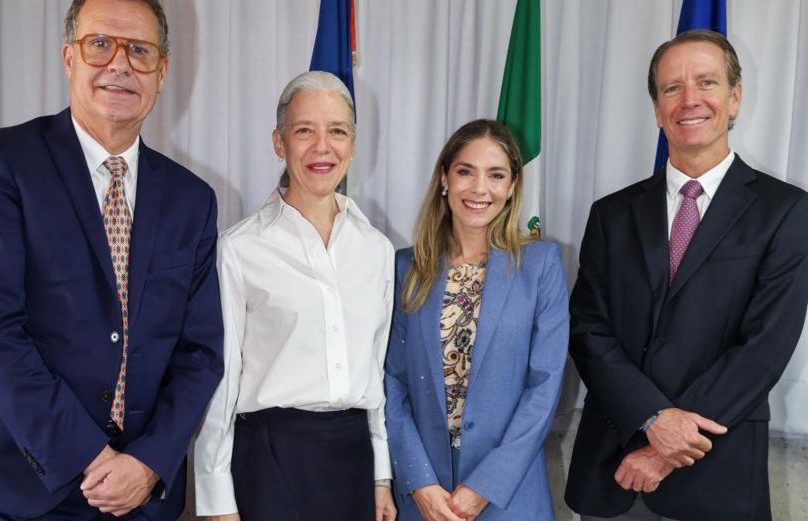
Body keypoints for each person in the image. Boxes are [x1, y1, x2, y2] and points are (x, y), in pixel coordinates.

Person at [0, 1, 224, 519]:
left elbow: (199, 354)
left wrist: (148, 462)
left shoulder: (192, 199)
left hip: (142, 489)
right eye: (100, 44)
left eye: (139, 50)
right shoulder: (3, 163)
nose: (120, 64)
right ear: (69, 57)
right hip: (31, 477)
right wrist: (88, 457)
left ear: (162, 73)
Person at [565, 29, 808, 521]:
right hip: (611, 467)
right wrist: (652, 418)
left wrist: (667, 445)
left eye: (706, 82)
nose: (689, 100)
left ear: (735, 97)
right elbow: (588, 329)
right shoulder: (611, 214)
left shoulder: (787, 212)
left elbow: (763, 350)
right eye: (672, 88)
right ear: (657, 109)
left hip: (718, 471)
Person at [192, 71, 397, 521]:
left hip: (353, 460)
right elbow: (220, 381)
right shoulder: (238, 249)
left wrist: (381, 475)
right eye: (305, 130)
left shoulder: (378, 250)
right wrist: (215, 498)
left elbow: (376, 375)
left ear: (354, 143)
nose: (322, 147)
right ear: (279, 143)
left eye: (337, 131)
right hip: (269, 459)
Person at [385, 119, 569, 521]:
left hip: (510, 496)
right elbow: (392, 382)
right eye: (466, 171)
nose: (479, 189)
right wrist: (419, 481)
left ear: (513, 185)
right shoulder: (406, 268)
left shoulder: (540, 266)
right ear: (444, 178)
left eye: (496, 175)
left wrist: (485, 486)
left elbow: (545, 387)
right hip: (425, 497)